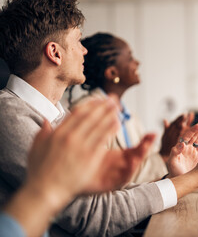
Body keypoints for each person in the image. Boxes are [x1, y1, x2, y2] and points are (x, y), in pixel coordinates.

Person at [0, 0, 198, 236]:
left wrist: (174, 179)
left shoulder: (57, 116)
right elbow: (94, 217)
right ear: (55, 53)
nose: (84, 50)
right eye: (78, 41)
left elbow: (104, 199)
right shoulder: (8, 118)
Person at [0, 97, 149, 237]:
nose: (84, 67)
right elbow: (94, 215)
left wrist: (167, 183)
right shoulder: (9, 114)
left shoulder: (63, 114)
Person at [68, 32, 195, 184]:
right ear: (112, 73)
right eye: (129, 58)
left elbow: (147, 164)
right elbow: (104, 177)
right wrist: (163, 153)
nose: (137, 63)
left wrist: (175, 145)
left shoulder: (129, 116)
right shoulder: (86, 111)